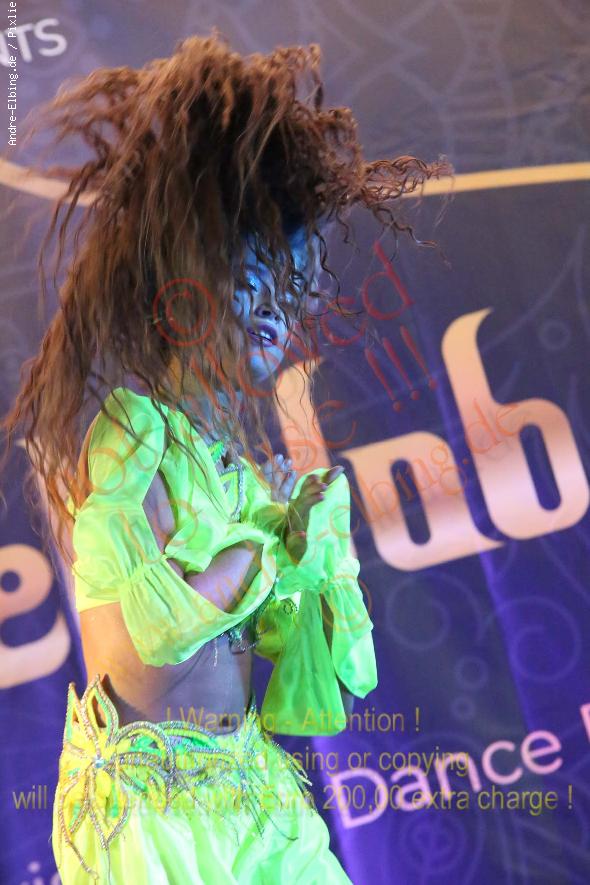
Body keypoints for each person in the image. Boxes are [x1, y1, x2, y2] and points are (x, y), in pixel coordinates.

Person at [1, 31, 453, 884]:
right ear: (187, 290)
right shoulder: (133, 434)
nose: (277, 311)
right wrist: (267, 549)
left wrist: (314, 551)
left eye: (288, 289)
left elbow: (328, 669)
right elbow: (158, 643)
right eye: (252, 285)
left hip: (251, 789)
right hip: (152, 814)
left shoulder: (237, 473)